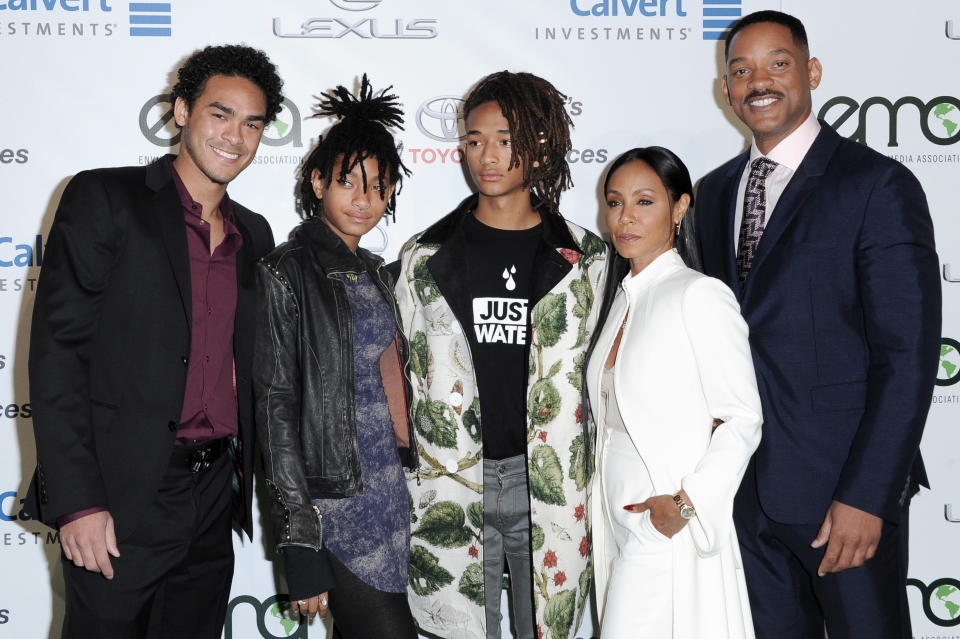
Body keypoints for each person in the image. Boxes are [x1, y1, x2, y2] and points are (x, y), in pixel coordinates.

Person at [696, 10, 941, 639]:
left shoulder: (876, 184)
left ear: (811, 72)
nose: (759, 82)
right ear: (726, 90)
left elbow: (907, 356)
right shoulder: (713, 194)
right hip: (744, 497)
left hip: (843, 493)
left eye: (778, 63)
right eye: (741, 70)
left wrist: (868, 495)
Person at [25, 45, 282, 638]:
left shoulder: (255, 232)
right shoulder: (105, 199)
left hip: (215, 492)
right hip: (122, 492)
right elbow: (58, 356)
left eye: (252, 123)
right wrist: (78, 502)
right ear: (182, 109)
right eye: (220, 114)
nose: (236, 137)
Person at [395, 71, 607, 639]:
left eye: (506, 138)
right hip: (455, 482)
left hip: (554, 484)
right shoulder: (422, 258)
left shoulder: (588, 260)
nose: (487, 156)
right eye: (474, 139)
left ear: (541, 143)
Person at [253, 75, 418, 639]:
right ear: (318, 181)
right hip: (336, 511)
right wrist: (299, 540)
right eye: (348, 182)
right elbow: (276, 409)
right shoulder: (286, 271)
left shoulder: (376, 271)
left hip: (391, 497)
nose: (363, 199)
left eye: (378, 185)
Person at [585, 147, 761, 638]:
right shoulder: (620, 302)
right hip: (616, 518)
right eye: (615, 202)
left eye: (644, 202)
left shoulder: (699, 294)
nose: (625, 218)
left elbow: (743, 418)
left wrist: (686, 505)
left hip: (665, 522)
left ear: (679, 208)